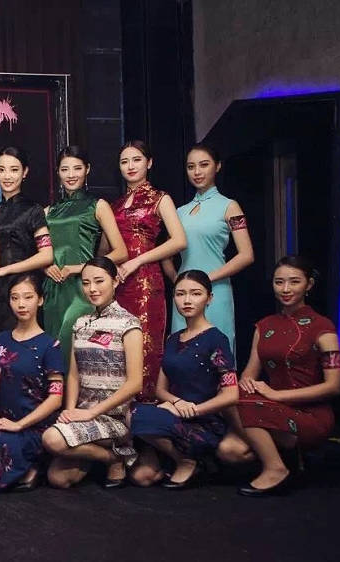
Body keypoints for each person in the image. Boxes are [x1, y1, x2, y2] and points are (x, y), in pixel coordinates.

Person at [217, 256, 340, 496]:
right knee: (229, 449)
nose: (285, 289)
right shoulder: (264, 325)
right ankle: (290, 457)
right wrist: (246, 385)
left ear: (309, 284)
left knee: (233, 405)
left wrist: (276, 395)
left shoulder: (323, 327)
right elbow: (249, 375)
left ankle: (276, 468)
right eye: (279, 282)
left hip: (310, 414)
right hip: (271, 407)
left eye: (294, 282)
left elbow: (333, 386)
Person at [129, 270, 239, 488]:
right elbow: (160, 390)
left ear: (209, 298)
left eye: (195, 293)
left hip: (204, 421)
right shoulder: (173, 339)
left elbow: (231, 395)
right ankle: (181, 458)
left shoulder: (216, 339)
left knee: (138, 417)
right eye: (180, 294)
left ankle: (187, 461)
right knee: (130, 412)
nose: (187, 300)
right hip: (175, 415)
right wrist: (177, 404)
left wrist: (193, 410)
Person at [41, 257, 143, 489]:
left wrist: (91, 413)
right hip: (83, 415)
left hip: (115, 418)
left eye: (99, 281)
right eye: (86, 283)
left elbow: (135, 383)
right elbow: (74, 374)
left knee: (52, 439)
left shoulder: (128, 324)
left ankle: (115, 456)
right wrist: (69, 411)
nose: (92, 289)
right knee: (58, 479)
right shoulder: (80, 323)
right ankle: (108, 456)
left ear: (115, 281)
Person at [0, 272, 65, 493]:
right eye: (15, 298)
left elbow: (56, 399)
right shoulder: (1, 339)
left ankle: (34, 464)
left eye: (28, 297)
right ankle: (25, 469)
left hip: (33, 428)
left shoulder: (50, 345)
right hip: (3, 424)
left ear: (40, 299)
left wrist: (20, 425)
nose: (21, 304)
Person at [111, 141, 187, 401]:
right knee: (118, 343)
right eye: (124, 162)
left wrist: (137, 261)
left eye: (136, 160)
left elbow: (179, 241)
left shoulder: (160, 198)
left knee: (146, 342)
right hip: (118, 282)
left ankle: (147, 406)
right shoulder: (116, 205)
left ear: (149, 162)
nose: (130, 166)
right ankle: (120, 406)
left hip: (145, 281)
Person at [163, 144, 254, 355]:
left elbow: (246, 255)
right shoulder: (180, 212)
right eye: (191, 167)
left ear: (217, 166)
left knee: (217, 354)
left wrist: (205, 279)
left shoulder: (230, 207)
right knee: (182, 353)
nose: (197, 172)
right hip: (184, 295)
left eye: (204, 165)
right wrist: (178, 281)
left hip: (215, 291)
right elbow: (166, 254)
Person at [43, 146, 128, 361]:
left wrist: (78, 268)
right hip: (53, 288)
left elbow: (121, 252)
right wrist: (45, 267)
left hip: (82, 287)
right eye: (65, 169)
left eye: (77, 168)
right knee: (53, 349)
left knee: (72, 343)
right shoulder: (48, 211)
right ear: (57, 172)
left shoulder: (98, 206)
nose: (71, 175)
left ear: (87, 169)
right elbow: (41, 253)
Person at [0, 147, 54, 337]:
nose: (7, 176)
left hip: (24, 291)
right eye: (1, 169)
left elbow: (47, 255)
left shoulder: (34, 210)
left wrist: (6, 269)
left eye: (14, 170)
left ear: (25, 172)